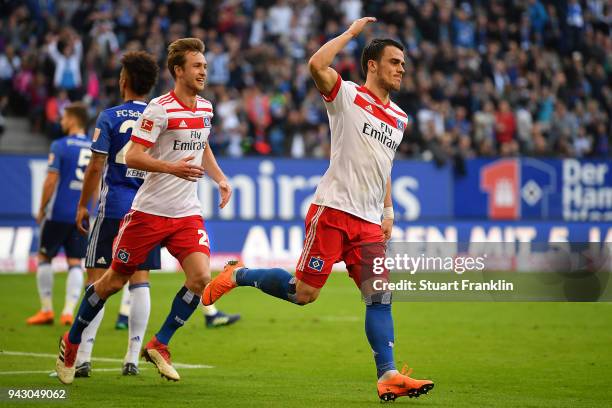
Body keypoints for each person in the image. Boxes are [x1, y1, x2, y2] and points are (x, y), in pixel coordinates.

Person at [203, 18, 434, 401]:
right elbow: (315, 65)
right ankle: (238, 275)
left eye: (403, 64)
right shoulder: (347, 96)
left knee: (379, 295)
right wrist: (349, 35)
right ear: (372, 64)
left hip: (368, 222)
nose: (401, 69)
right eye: (394, 62)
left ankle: (388, 374)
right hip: (333, 211)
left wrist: (388, 211)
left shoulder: (400, 118)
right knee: (303, 294)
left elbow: (384, 165)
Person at [56, 37, 232, 384]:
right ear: (178, 71)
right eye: (197, 66)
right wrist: (172, 169)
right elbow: (132, 156)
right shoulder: (159, 109)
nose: (203, 71)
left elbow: (202, 143)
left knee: (200, 279)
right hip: (148, 212)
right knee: (112, 282)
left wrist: (220, 179)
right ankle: (71, 342)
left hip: (186, 212)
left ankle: (159, 344)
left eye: (205, 66)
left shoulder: (206, 108)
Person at [27, 102, 92, 327]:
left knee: (45, 257)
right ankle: (67, 311)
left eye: (64, 117)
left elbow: (51, 180)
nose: (61, 121)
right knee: (75, 261)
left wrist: (42, 208)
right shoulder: (94, 145)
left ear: (73, 119)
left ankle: (46, 310)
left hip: (59, 212)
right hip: (82, 213)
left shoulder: (60, 145)